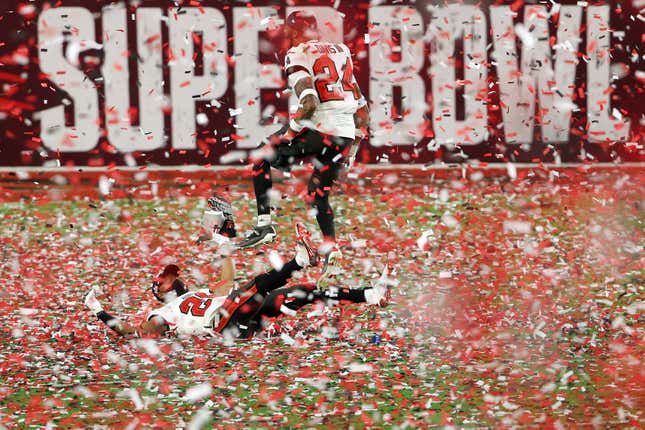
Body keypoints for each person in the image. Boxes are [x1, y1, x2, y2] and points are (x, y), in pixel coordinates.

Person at [85, 222, 392, 340]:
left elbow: (227, 281)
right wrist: (99, 310)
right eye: (164, 280)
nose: (170, 279)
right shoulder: (162, 314)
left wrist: (224, 246)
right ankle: (298, 262)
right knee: (250, 289)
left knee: (306, 292)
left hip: (240, 317)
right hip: (221, 326)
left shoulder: (198, 292)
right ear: (159, 294)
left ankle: (371, 295)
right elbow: (133, 331)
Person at [237, 10, 370, 277]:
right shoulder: (341, 49)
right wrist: (352, 150)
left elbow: (308, 104)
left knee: (262, 157)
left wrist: (290, 133)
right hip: (343, 134)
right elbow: (362, 108)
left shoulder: (298, 54)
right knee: (318, 194)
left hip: (319, 129)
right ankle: (332, 251)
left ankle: (265, 225)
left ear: (293, 31)